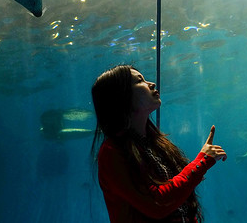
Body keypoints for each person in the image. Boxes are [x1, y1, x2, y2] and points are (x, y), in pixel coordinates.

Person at [91, 65, 227, 222]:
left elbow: (181, 206)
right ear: (121, 96)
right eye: (139, 81)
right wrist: (202, 161)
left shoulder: (154, 144)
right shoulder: (111, 152)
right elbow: (157, 204)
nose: (152, 84)